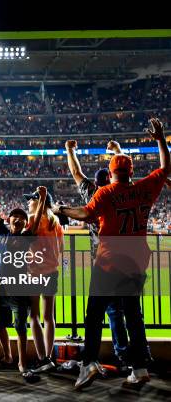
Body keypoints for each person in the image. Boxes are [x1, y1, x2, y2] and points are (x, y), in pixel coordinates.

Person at [55, 118, 169, 390]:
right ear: (132, 171)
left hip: (108, 262)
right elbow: (166, 167)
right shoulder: (144, 188)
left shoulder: (104, 193)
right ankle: (139, 367)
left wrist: (62, 210)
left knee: (94, 313)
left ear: (110, 171)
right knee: (133, 314)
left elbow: (85, 213)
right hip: (136, 261)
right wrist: (160, 139)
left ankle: (89, 362)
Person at [65, 139, 133, 370]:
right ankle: (125, 358)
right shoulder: (122, 192)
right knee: (121, 312)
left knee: (94, 313)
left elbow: (75, 171)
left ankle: (90, 361)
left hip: (103, 260)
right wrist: (116, 151)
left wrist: (70, 150)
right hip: (128, 260)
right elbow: (124, 172)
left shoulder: (94, 194)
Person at [0, 175, 46, 383]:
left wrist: (43, 198)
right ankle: (8, 356)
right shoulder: (2, 231)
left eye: (22, 217)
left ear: (24, 223)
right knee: (0, 323)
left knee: (20, 328)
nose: (18, 219)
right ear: (9, 220)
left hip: (19, 290)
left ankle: (22, 363)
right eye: (14, 216)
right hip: (0, 288)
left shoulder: (27, 236)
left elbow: (36, 221)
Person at [23, 185, 64, 373]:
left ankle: (42, 359)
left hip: (34, 273)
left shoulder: (32, 219)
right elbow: (61, 248)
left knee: (34, 316)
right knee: (49, 317)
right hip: (52, 272)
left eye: (30, 199)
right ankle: (50, 357)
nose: (28, 202)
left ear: (39, 201)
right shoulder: (56, 223)